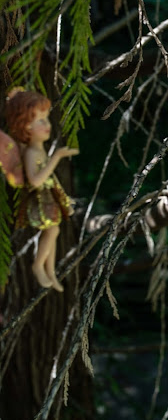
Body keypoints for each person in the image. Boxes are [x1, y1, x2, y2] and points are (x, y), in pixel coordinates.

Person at [2, 88, 79, 291]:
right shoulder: (31, 153)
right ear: (26, 126)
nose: (48, 125)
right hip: (39, 199)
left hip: (49, 196)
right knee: (53, 230)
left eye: (47, 119)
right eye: (41, 121)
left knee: (54, 230)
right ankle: (38, 266)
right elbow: (35, 181)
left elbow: (49, 178)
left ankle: (50, 271)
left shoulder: (37, 149)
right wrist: (56, 158)